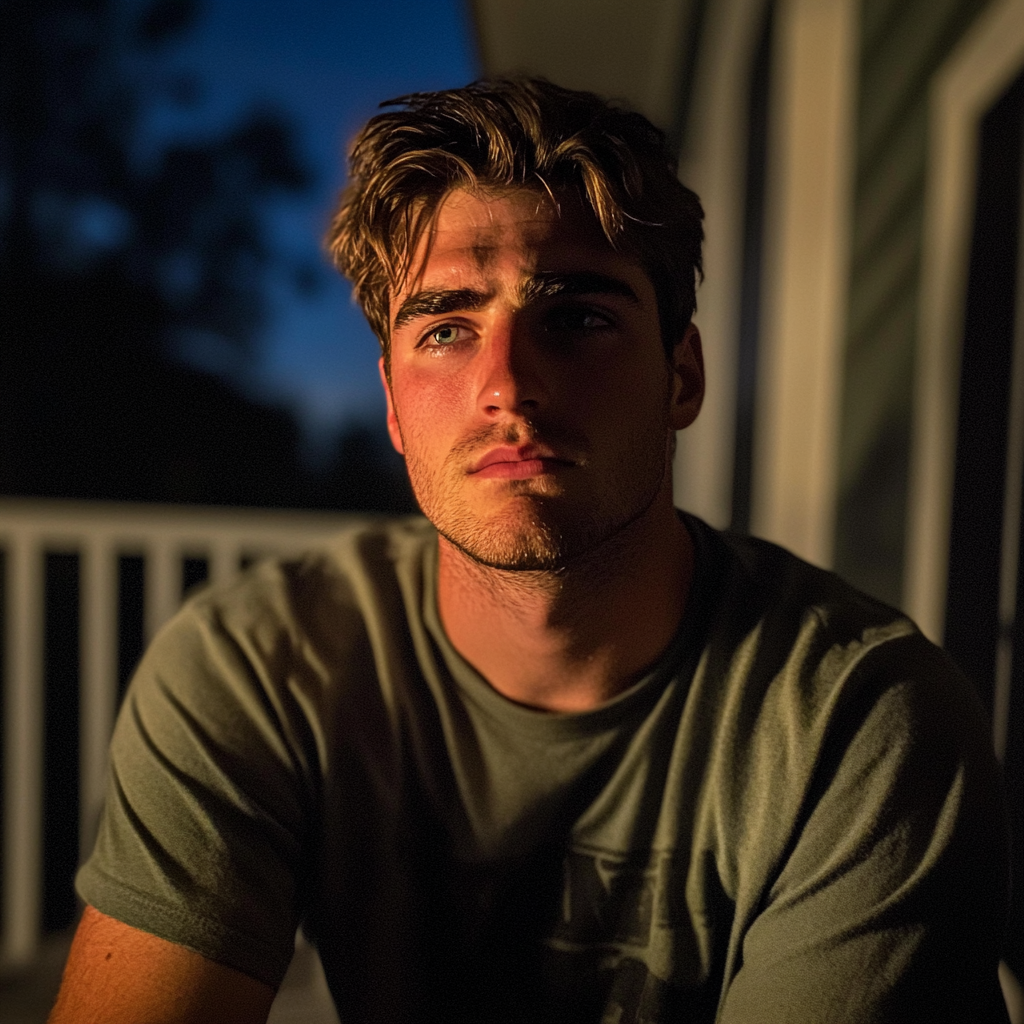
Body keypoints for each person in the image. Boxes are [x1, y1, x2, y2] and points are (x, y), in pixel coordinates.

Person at [50, 78, 1009, 1024]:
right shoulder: (257, 667)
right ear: (391, 403)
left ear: (682, 375)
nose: (507, 386)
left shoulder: (862, 724)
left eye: (579, 317)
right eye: (447, 328)